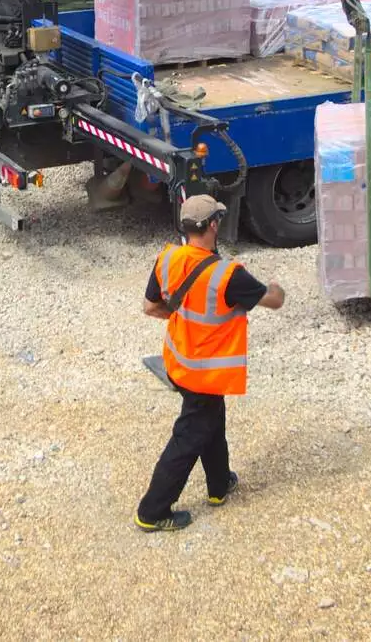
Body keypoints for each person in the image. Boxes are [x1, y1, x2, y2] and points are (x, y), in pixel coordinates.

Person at [135, 194, 284, 532]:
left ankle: (219, 486)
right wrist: (277, 287)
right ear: (214, 225)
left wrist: (183, 323)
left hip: (180, 363)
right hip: (206, 373)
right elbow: (273, 301)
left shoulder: (167, 258)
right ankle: (152, 510)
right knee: (188, 437)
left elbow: (150, 307)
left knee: (211, 422)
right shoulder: (228, 275)